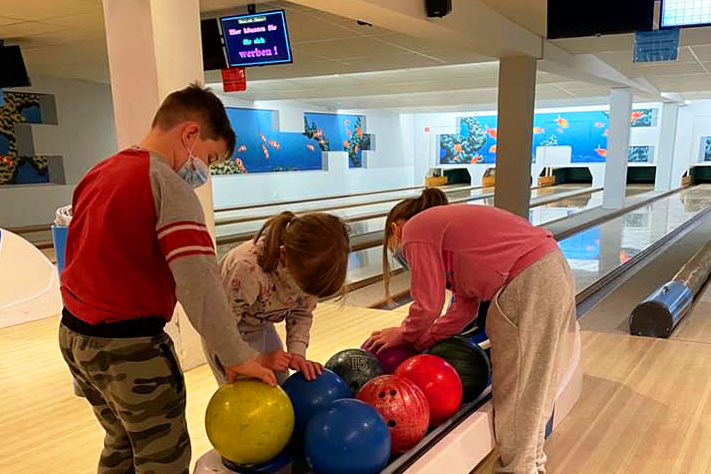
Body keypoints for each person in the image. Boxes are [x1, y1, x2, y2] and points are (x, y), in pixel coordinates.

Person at [59, 84, 282, 474]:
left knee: (122, 444)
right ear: (190, 134)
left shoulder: (100, 172)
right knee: (163, 458)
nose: (203, 172)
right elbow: (199, 284)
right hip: (129, 350)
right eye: (210, 158)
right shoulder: (167, 184)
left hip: (75, 338)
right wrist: (236, 356)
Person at [364, 188, 578, 474]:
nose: (398, 254)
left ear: (394, 229)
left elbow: (428, 305)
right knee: (534, 387)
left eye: (393, 247)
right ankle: (531, 464)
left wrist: (405, 335)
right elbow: (463, 307)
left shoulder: (414, 230)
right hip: (552, 270)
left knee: (517, 391)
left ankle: (518, 469)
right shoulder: (447, 235)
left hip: (528, 283)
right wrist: (426, 341)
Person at [205, 211, 351, 385]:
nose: (305, 295)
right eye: (303, 288)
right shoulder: (247, 270)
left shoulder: (308, 274)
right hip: (224, 334)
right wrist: (257, 360)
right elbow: (221, 329)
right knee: (246, 392)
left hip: (261, 326)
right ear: (283, 256)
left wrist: (297, 354)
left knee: (279, 385)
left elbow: (302, 313)